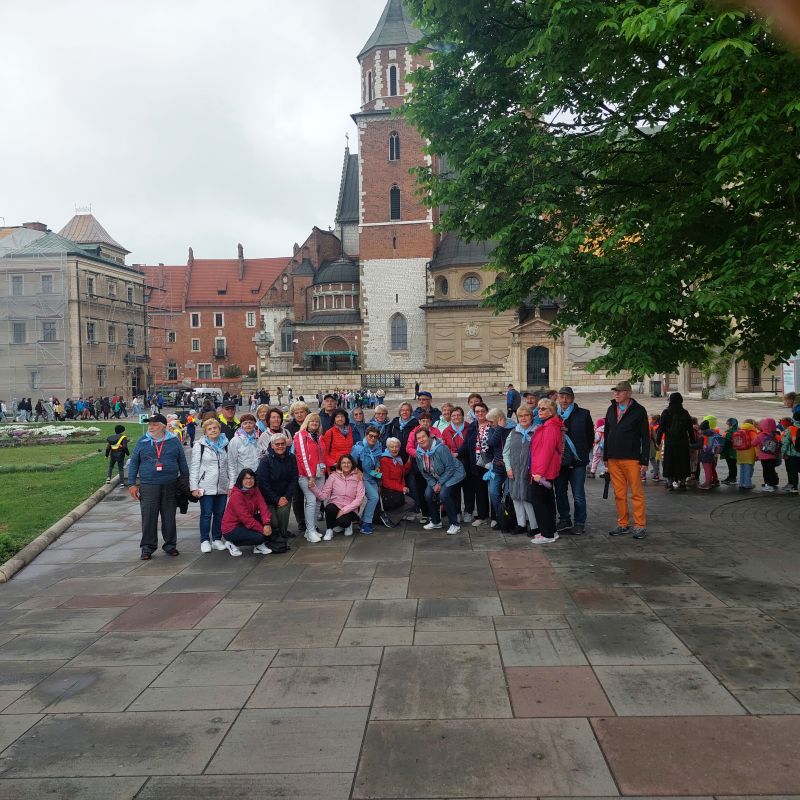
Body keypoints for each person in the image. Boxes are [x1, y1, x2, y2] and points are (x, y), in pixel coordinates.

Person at [128, 413, 188, 560]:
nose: (151, 427)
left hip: (170, 484)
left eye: (154, 424)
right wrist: (132, 484)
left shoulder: (173, 441)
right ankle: (147, 548)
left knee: (169, 517)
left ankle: (170, 545)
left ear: (163, 426)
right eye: (149, 424)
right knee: (149, 517)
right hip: (148, 485)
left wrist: (186, 481)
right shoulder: (142, 441)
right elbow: (134, 462)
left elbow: (182, 461)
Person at [604, 380, 650, 539]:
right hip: (613, 458)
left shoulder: (639, 410)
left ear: (629, 393)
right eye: (615, 391)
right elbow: (607, 433)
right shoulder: (611, 409)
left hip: (632, 458)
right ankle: (623, 523)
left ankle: (640, 525)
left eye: (620, 391)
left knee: (636, 493)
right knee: (619, 494)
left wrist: (644, 460)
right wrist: (606, 456)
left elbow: (645, 436)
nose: (616, 393)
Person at [554, 387, 593, 535]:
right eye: (562, 397)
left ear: (572, 398)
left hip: (578, 461)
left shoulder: (583, 414)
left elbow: (590, 436)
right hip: (558, 462)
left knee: (578, 494)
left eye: (567, 397)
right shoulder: (553, 414)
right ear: (558, 398)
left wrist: (581, 453)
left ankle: (579, 522)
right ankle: (564, 519)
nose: (564, 400)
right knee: (560, 492)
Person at [414, 427, 465, 534]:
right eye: (419, 438)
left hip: (454, 474)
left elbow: (450, 468)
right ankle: (436, 521)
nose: (421, 440)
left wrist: (440, 483)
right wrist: (434, 484)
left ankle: (455, 525)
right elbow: (424, 472)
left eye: (423, 436)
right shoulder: (419, 453)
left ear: (429, 436)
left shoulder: (441, 448)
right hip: (436, 477)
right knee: (428, 494)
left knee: (444, 494)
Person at [190, 417, 230, 553]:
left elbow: (229, 465)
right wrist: (194, 487)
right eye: (209, 429)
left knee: (220, 514)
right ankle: (205, 540)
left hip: (222, 485)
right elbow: (195, 467)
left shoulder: (226, 444)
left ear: (219, 429)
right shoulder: (200, 445)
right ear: (205, 431)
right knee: (206, 514)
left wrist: (231, 483)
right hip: (205, 485)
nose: (213, 430)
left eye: (215, 428)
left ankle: (217, 539)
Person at [528, 397, 563, 543]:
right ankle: (550, 531)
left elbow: (546, 452)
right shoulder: (549, 425)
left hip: (543, 472)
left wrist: (539, 473)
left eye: (543, 409)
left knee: (540, 502)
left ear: (551, 411)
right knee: (546, 501)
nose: (539, 411)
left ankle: (547, 534)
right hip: (543, 470)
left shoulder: (550, 427)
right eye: (539, 408)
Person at [503, 404, 538, 535]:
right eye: (520, 416)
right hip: (514, 471)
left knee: (527, 498)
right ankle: (521, 524)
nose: (523, 418)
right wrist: (508, 468)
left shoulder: (537, 431)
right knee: (516, 497)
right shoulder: (513, 432)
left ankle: (534, 526)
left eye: (526, 415)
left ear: (531, 416)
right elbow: (505, 452)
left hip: (529, 472)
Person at [220, 469, 273, 556]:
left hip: (244, 523)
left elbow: (263, 507)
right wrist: (262, 530)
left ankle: (258, 546)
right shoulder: (236, 495)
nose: (249, 481)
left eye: (251, 478)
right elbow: (246, 519)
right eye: (246, 478)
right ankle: (231, 543)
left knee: (268, 520)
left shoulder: (255, 490)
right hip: (231, 528)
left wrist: (267, 523)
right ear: (241, 480)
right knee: (260, 537)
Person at [312, 454, 365, 539]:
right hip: (336, 504)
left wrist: (343, 511)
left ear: (352, 464)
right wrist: (313, 487)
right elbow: (323, 496)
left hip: (350, 508)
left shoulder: (357, 477)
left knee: (343, 522)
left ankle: (347, 524)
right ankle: (329, 530)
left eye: (348, 462)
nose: (346, 465)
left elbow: (359, 499)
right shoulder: (333, 476)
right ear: (340, 464)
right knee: (329, 508)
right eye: (343, 463)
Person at [256, 433, 298, 540]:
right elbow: (263, 484)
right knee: (274, 522)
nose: (280, 446)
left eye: (282, 444)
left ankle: (283, 535)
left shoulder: (292, 458)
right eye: (277, 444)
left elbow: (294, 479)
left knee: (283, 513)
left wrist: (286, 497)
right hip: (269, 498)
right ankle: (274, 532)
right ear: (272, 445)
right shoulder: (265, 461)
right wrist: (276, 499)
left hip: (284, 496)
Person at [294, 412, 327, 543]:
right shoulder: (300, 435)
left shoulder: (319, 436)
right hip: (306, 475)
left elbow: (323, 456)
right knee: (311, 500)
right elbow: (302, 457)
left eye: (317, 422)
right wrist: (310, 475)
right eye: (312, 421)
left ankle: (311, 529)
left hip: (319, 473)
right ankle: (310, 530)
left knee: (318, 500)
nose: (314, 423)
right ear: (307, 422)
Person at [657, 392, 695, 491]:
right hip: (682, 441)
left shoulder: (666, 412)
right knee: (683, 461)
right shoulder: (685, 412)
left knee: (670, 462)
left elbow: (661, 428)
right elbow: (690, 429)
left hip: (670, 441)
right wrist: (692, 441)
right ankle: (682, 483)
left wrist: (658, 440)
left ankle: (670, 484)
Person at [351, 426, 384, 534]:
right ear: (366, 435)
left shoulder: (378, 446)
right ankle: (366, 524)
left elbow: (377, 459)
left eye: (376, 436)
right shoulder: (358, 448)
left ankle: (363, 521)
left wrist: (377, 466)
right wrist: (357, 471)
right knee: (374, 497)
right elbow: (350, 464)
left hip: (372, 475)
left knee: (374, 498)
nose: (373, 438)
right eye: (371, 436)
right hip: (362, 477)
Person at [463, 402, 491, 526]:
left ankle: (496, 517)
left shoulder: (492, 424)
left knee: (493, 490)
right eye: (477, 411)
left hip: (491, 463)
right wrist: (456, 453)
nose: (480, 413)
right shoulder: (472, 426)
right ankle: (482, 516)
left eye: (482, 411)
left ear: (487, 411)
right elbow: (466, 444)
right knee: (480, 490)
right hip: (477, 463)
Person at [484, 408, 511, 529]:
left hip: (510, 467)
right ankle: (500, 516)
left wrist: (501, 427)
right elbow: (492, 442)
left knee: (507, 494)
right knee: (493, 492)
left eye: (491, 421)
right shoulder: (492, 429)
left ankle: (508, 519)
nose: (489, 424)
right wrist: (499, 428)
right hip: (497, 466)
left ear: (500, 419)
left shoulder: (512, 427)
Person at [379, 437, 416, 525]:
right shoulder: (384, 460)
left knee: (410, 502)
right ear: (387, 448)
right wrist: (402, 488)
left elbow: (403, 472)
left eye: (396, 447)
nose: (394, 449)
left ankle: (392, 516)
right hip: (389, 492)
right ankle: (389, 516)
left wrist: (409, 462)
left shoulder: (397, 459)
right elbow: (386, 482)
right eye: (392, 447)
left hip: (396, 491)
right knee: (410, 502)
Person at [227, 413, 261, 485]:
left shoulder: (257, 438)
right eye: (245, 423)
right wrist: (233, 481)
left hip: (257, 476)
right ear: (241, 425)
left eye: (250, 423)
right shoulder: (235, 440)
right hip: (242, 477)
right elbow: (231, 462)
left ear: (255, 424)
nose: (248, 425)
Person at [755, 417, 781, 492]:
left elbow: (753, 443)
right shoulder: (776, 434)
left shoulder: (761, 435)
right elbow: (780, 444)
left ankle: (768, 484)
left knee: (765, 470)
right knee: (771, 469)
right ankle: (773, 482)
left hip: (763, 457)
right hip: (773, 456)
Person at [698, 416, 722, 490]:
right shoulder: (714, 433)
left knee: (707, 469)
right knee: (712, 468)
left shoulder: (704, 436)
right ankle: (714, 481)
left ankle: (707, 484)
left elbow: (699, 445)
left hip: (706, 454)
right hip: (714, 454)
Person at [781, 410, 800, 493]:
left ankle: (794, 487)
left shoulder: (791, 429)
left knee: (792, 471)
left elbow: (785, 442)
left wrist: (783, 453)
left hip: (792, 454)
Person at [720, 417, 739, 485]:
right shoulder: (737, 430)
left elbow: (726, 443)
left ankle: (732, 479)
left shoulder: (729, 432)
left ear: (730, 424)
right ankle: (731, 477)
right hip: (735, 451)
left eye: (728, 424)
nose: (727, 425)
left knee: (731, 466)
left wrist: (721, 451)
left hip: (729, 452)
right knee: (733, 465)